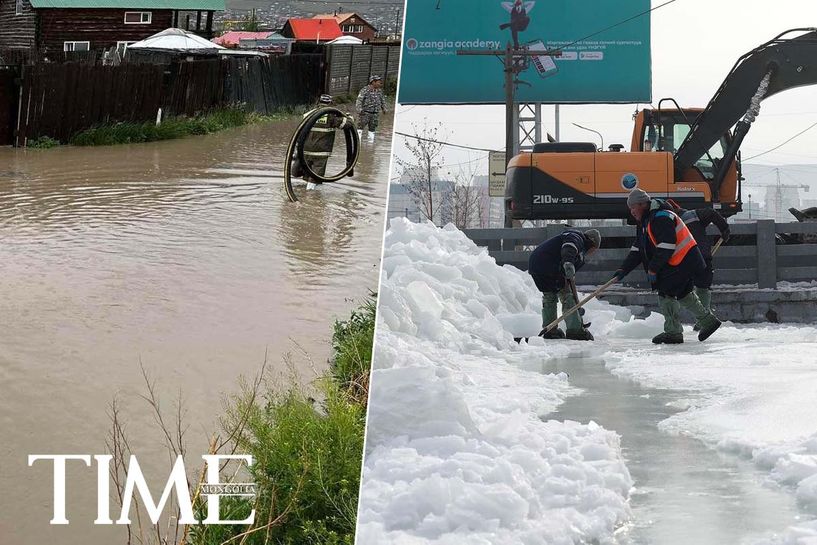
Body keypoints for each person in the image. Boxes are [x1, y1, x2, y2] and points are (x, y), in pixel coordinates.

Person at [612, 189, 721, 344]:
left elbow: (666, 245)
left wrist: (653, 268)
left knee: (666, 293)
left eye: (633, 207)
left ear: (642, 204)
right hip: (679, 262)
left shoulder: (661, 217)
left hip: (682, 260)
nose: (632, 212)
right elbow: (638, 249)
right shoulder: (646, 221)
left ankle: (674, 332)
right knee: (682, 293)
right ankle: (706, 322)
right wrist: (623, 270)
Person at [528, 228, 601, 341]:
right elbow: (569, 247)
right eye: (595, 249)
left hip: (536, 265)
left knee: (549, 296)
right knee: (567, 296)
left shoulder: (577, 249)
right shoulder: (577, 237)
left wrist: (578, 306)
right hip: (551, 265)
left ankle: (550, 329)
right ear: (592, 243)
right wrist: (568, 263)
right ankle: (575, 331)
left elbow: (569, 278)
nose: (593, 252)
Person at [668, 202, 730, 329]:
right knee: (703, 287)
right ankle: (704, 319)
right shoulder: (693, 215)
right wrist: (724, 229)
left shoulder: (671, 222)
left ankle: (703, 320)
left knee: (685, 291)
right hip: (701, 257)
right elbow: (711, 213)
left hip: (684, 261)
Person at [296, 94, 353, 189]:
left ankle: (304, 192)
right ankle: (310, 195)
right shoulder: (331, 116)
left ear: (319, 102)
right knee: (317, 173)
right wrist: (350, 118)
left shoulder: (309, 114)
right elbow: (346, 124)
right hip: (321, 151)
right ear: (330, 103)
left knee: (308, 170)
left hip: (305, 149)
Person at [355, 75, 387, 142]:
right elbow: (359, 100)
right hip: (365, 113)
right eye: (378, 82)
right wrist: (359, 110)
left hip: (375, 114)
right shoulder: (365, 90)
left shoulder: (379, 91)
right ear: (373, 82)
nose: (380, 84)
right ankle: (358, 143)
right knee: (360, 129)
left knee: (372, 130)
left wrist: (384, 108)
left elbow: (382, 100)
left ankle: (370, 145)